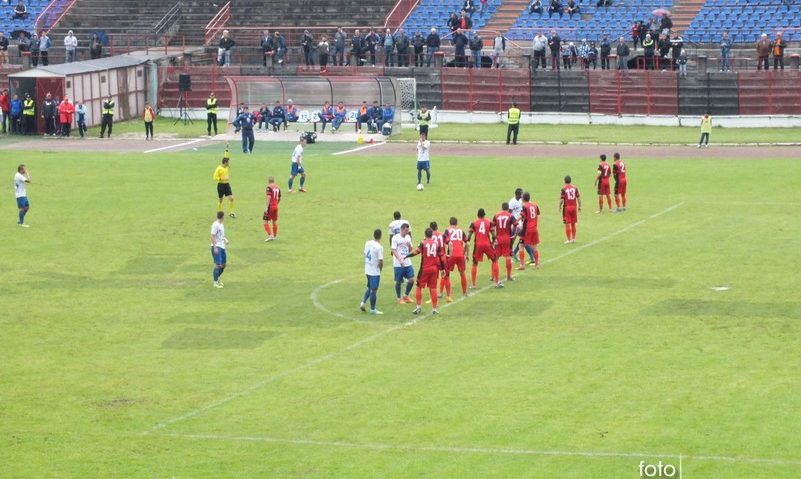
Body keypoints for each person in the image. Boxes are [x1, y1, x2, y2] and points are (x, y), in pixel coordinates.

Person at [406, 228, 446, 315]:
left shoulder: (423, 243)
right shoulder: (437, 244)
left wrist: (407, 256)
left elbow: (416, 252)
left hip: (425, 269)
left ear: (425, 234)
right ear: (432, 234)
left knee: (418, 287)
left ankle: (418, 307)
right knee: (433, 288)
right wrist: (442, 269)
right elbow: (441, 257)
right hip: (434, 269)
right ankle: (434, 309)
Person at [468, 208, 501, 288]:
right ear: (484, 215)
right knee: (495, 260)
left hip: (478, 245)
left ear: (477, 215)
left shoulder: (473, 223)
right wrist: (493, 242)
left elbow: (469, 236)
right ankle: (497, 282)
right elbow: (493, 234)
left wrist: (466, 242)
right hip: (487, 244)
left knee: (475, 263)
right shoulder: (489, 222)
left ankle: (473, 284)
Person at [442, 217, 469, 300]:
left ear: (450, 223)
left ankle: (448, 295)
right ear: (457, 223)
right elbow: (467, 243)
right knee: (462, 273)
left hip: (451, 255)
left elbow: (445, 242)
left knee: (447, 275)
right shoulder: (461, 230)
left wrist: (445, 254)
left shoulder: (447, 230)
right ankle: (465, 293)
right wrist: (466, 254)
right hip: (461, 255)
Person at [492, 202, 518, 282]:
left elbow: (492, 227)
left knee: (495, 258)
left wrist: (494, 238)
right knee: (507, 257)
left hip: (498, 238)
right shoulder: (510, 215)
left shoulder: (496, 215)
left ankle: (493, 277)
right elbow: (516, 225)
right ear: (507, 208)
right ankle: (509, 276)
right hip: (507, 238)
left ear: (502, 207)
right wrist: (515, 235)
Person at [361, 228, 384, 315]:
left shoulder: (367, 243)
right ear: (380, 236)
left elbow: (365, 253)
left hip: (367, 269)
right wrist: (380, 270)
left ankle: (363, 303)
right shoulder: (379, 247)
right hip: (374, 271)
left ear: (373, 235)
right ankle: (373, 309)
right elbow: (381, 261)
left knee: (370, 287)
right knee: (374, 290)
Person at [391, 222, 415, 304]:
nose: (407, 232)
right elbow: (393, 250)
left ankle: (406, 296)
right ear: (401, 229)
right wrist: (399, 259)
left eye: (408, 231)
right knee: (398, 281)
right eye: (405, 230)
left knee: (411, 280)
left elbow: (411, 250)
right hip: (398, 264)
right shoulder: (395, 238)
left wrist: (409, 245)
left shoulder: (408, 237)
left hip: (407, 262)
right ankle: (398, 298)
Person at [519, 191, 541, 269]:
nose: (521, 198)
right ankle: (537, 264)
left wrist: (514, 222)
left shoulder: (524, 207)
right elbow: (537, 214)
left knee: (521, 246)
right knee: (534, 247)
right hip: (534, 228)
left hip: (527, 229)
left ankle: (522, 265)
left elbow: (521, 216)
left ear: (523, 198)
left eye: (521, 197)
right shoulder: (535, 205)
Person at [560, 175, 581, 244]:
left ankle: (569, 239)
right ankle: (574, 239)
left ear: (564, 181)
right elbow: (578, 198)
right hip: (574, 207)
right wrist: (579, 206)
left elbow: (562, 200)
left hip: (567, 207)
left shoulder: (563, 189)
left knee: (567, 224)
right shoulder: (575, 188)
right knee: (573, 223)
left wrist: (559, 206)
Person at [213, 152, 235, 217]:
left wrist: (227, 148)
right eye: (228, 162)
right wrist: (221, 178)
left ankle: (231, 212)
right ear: (225, 162)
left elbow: (226, 155)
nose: (229, 163)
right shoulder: (219, 168)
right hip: (221, 186)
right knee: (220, 200)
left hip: (227, 185)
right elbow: (214, 177)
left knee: (231, 198)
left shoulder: (226, 167)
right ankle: (219, 212)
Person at [210, 211, 228, 288]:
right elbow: (212, 236)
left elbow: (221, 235)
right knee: (218, 265)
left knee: (223, 265)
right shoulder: (215, 225)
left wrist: (225, 239)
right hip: (217, 247)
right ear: (223, 217)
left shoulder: (221, 224)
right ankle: (215, 283)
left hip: (222, 246)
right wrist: (215, 248)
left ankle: (216, 279)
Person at [263, 176, 281, 241]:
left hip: (270, 207)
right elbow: (279, 197)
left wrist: (266, 207)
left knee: (265, 221)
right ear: (274, 181)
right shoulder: (277, 187)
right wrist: (276, 203)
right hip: (276, 206)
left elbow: (269, 197)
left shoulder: (269, 187)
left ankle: (270, 236)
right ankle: (275, 236)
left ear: (268, 181)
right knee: (274, 222)